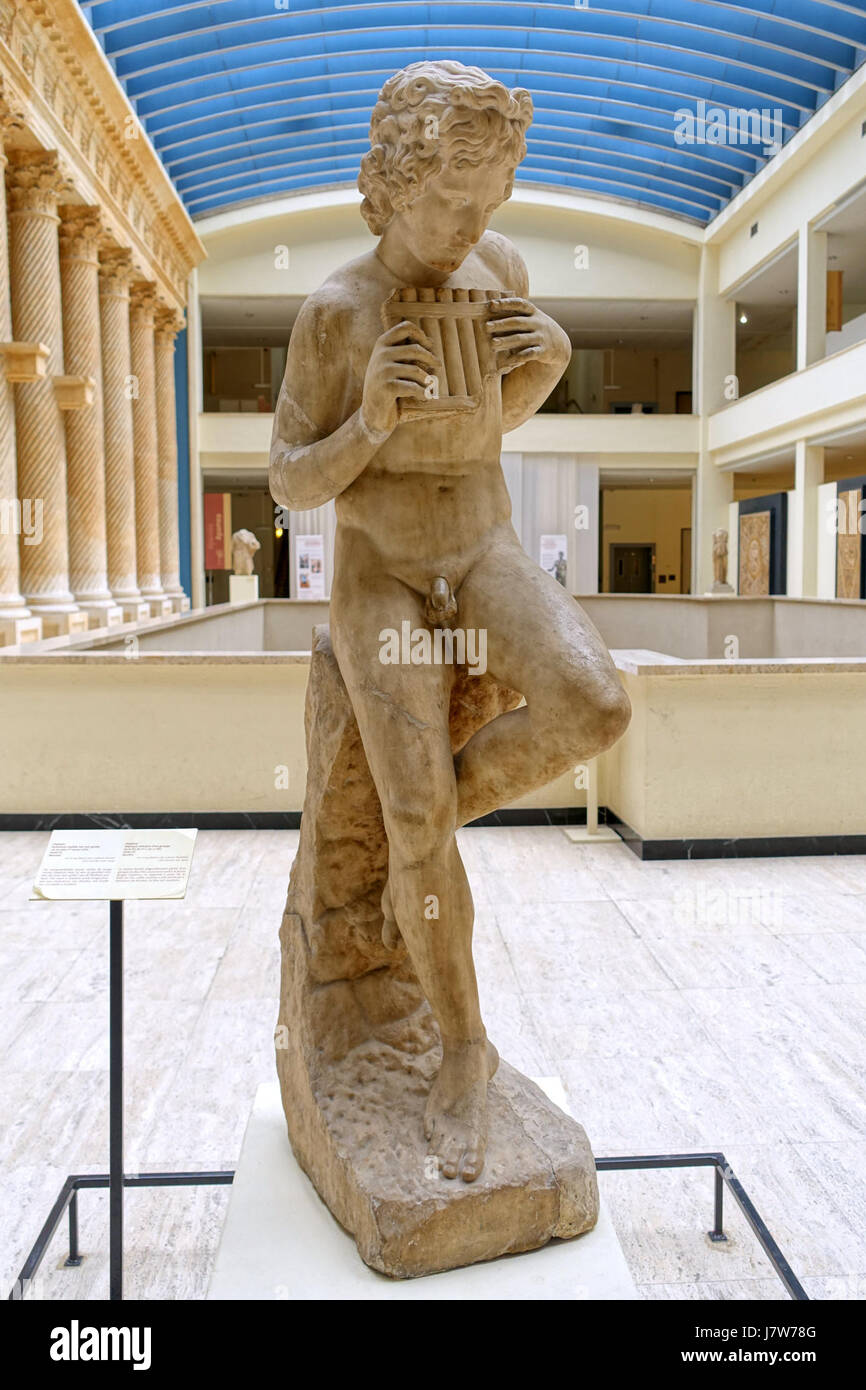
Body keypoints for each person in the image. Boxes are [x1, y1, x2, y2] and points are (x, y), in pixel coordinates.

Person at [270, 60, 630, 1183]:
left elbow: (487, 424)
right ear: (389, 184)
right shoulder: (334, 312)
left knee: (595, 702)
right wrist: (369, 416)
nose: (471, 231)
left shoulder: (500, 269)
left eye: (488, 209)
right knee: (414, 814)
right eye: (450, 207)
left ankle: (422, 830)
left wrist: (550, 369)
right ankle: (461, 1050)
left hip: (483, 547)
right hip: (379, 572)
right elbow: (287, 482)